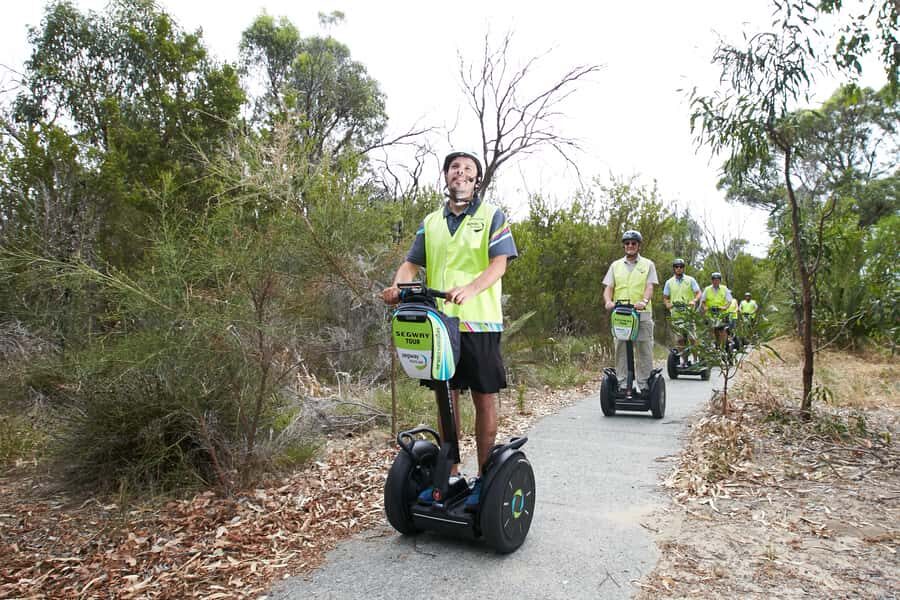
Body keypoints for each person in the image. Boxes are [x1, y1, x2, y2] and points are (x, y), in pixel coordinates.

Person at [381, 150, 517, 509]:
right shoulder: (431, 222)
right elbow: (411, 265)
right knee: (447, 395)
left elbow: (498, 265)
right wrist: (399, 287)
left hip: (481, 321)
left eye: (468, 169)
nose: (461, 172)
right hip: (440, 323)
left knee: (483, 395)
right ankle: (452, 472)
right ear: (446, 176)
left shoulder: (492, 216)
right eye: (455, 168)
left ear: (476, 180)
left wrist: (471, 288)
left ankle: (486, 476)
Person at [602, 230, 659, 392]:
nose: (630, 246)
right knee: (620, 349)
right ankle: (621, 384)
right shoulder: (616, 265)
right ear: (624, 246)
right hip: (621, 314)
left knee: (644, 350)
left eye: (633, 243)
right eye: (627, 243)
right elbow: (609, 288)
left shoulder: (648, 264)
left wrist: (644, 301)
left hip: (642, 314)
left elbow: (649, 287)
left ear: (639, 245)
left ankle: (644, 385)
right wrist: (608, 301)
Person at [662, 258, 701, 367]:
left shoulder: (690, 280)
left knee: (692, 338)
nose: (678, 269)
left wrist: (694, 300)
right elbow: (665, 297)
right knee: (680, 340)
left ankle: (696, 360)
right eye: (676, 267)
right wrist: (667, 304)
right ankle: (684, 361)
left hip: (689, 315)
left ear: (684, 268)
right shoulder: (669, 282)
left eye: (681, 267)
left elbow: (698, 293)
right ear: (674, 268)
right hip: (676, 315)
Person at [699, 272, 733, 348]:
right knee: (712, 330)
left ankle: (724, 346)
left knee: (722, 330)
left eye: (717, 280)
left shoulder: (724, 289)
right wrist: (704, 307)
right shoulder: (707, 289)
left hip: (721, 314)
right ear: (712, 280)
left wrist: (725, 307)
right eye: (714, 280)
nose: (716, 281)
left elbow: (729, 300)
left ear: (720, 281)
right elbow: (703, 301)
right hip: (710, 314)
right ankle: (713, 345)